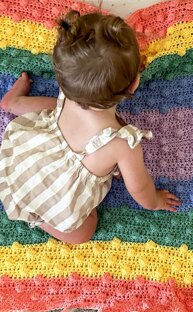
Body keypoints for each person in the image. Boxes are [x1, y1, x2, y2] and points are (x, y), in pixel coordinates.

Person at [0, 10, 180, 244]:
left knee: (53, 108)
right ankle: (40, 218)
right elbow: (140, 189)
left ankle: (13, 103)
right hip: (56, 194)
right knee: (83, 233)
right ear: (134, 84)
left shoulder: (72, 85)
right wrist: (155, 200)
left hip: (28, 156)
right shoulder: (123, 144)